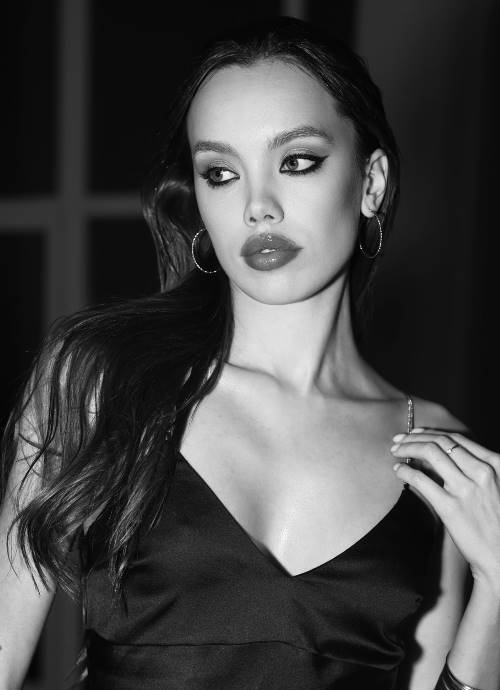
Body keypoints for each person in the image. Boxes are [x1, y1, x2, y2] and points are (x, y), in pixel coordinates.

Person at [1, 15, 499, 690]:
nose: (258, 206)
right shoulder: (96, 379)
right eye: (221, 173)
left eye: (297, 162)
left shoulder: (438, 454)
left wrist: (498, 586)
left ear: (372, 182)